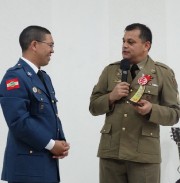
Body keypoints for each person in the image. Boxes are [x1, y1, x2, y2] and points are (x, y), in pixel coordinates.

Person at [89, 23, 180, 183]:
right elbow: (93, 107)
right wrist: (111, 96)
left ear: (146, 45)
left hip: (144, 156)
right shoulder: (110, 71)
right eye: (123, 41)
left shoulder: (162, 73)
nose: (124, 45)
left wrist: (152, 110)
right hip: (111, 153)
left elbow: (174, 114)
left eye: (130, 42)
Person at [0, 25, 70, 183]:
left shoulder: (43, 77)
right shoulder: (15, 78)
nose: (52, 50)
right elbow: (18, 121)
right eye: (50, 45)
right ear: (34, 45)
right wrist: (51, 144)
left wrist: (61, 142)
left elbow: (48, 114)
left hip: (45, 164)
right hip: (27, 168)